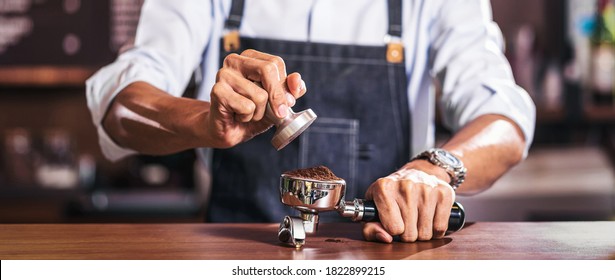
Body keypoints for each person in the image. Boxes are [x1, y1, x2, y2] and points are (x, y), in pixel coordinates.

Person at [86, 0, 535, 243]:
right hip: (236, 257)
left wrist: (433, 169)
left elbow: (505, 117)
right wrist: (206, 122)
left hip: (384, 257)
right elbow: (119, 104)